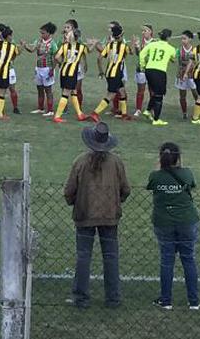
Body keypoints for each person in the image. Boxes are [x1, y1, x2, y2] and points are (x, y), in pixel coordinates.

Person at [64, 123, 130, 309]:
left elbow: (69, 191)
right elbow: (126, 189)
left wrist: (74, 202)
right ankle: (113, 298)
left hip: (84, 214)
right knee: (111, 256)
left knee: (83, 256)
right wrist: (115, 202)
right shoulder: (116, 162)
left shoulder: (80, 161)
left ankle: (81, 298)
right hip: (109, 216)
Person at [147, 142, 200, 311]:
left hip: (163, 222)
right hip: (187, 220)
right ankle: (194, 301)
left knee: (167, 260)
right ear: (178, 157)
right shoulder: (187, 173)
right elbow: (191, 185)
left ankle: (166, 300)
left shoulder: (156, 176)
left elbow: (151, 186)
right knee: (188, 259)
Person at [90, 24, 130, 123]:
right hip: (116, 74)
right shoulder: (124, 46)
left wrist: (101, 71)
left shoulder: (109, 45)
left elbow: (99, 58)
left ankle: (124, 114)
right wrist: (134, 44)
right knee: (110, 95)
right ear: (121, 35)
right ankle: (95, 113)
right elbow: (132, 52)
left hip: (109, 73)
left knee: (122, 92)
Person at [139, 28, 178, 127]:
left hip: (149, 70)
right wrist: (176, 53)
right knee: (159, 95)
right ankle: (156, 119)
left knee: (155, 92)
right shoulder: (171, 48)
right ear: (169, 37)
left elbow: (142, 54)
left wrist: (143, 65)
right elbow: (174, 59)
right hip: (159, 72)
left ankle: (148, 111)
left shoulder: (152, 44)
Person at [52, 27, 90, 123]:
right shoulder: (81, 47)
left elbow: (56, 57)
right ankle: (57, 116)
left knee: (73, 92)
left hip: (63, 71)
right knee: (66, 93)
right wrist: (92, 44)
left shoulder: (64, 46)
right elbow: (88, 51)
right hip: (71, 73)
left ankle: (79, 114)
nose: (67, 35)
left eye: (69, 34)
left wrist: (64, 62)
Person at [22, 22, 58, 117]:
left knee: (48, 90)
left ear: (49, 33)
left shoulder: (53, 44)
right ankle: (40, 108)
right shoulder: (39, 41)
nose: (41, 35)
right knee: (40, 89)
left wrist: (52, 70)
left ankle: (50, 110)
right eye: (41, 33)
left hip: (47, 69)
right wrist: (25, 45)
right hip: (38, 69)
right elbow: (31, 50)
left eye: (43, 33)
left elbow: (56, 58)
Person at [131, 25, 155, 117]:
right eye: (142, 31)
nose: (143, 32)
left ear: (150, 31)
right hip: (141, 69)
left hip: (151, 69)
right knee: (140, 90)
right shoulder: (141, 42)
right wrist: (137, 47)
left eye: (145, 30)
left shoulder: (155, 42)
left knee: (151, 90)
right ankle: (138, 109)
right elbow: (138, 54)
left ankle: (151, 109)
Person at [175, 31, 198, 120]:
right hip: (181, 75)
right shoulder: (179, 50)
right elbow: (174, 59)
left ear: (190, 39)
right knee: (182, 95)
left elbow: (196, 61)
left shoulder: (195, 50)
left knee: (195, 93)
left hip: (192, 75)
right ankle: (184, 113)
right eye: (182, 38)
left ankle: (198, 110)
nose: (182, 41)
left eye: (184, 38)